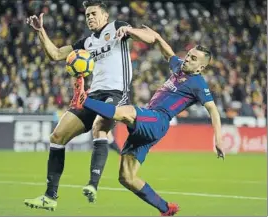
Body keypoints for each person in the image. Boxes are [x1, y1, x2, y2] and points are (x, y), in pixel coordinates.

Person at [73, 25, 225, 216]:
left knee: (127, 112)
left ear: (201, 67)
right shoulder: (179, 66)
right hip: (151, 122)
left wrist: (218, 139)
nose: (188, 58)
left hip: (158, 119)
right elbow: (165, 48)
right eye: (189, 54)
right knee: (126, 177)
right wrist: (153, 35)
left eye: (193, 58)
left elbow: (213, 110)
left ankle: (84, 101)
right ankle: (166, 208)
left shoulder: (199, 84)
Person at [24, 0, 156, 210]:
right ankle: (50, 196)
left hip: (117, 93)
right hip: (93, 95)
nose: (90, 18)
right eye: (87, 15)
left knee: (99, 126)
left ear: (105, 16)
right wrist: (41, 31)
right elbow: (56, 54)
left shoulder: (116, 28)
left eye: (94, 13)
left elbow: (151, 38)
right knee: (57, 137)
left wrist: (129, 29)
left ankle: (93, 184)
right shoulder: (86, 43)